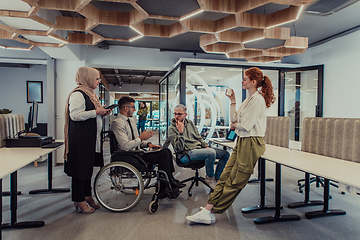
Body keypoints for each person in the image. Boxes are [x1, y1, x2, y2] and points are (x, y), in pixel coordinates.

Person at [185, 67, 276, 224]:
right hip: (242, 140)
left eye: (245, 79)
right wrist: (232, 101)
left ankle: (212, 210)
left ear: (253, 82)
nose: (242, 81)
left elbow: (245, 125)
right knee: (225, 176)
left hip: (251, 142)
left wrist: (235, 125)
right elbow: (234, 117)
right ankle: (208, 209)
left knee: (236, 180)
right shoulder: (249, 99)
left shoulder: (258, 100)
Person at [111, 96, 184, 199]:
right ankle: (167, 186)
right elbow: (126, 146)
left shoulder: (130, 121)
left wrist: (148, 144)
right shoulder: (117, 123)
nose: (135, 109)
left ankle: (169, 181)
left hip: (137, 154)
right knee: (163, 154)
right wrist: (141, 138)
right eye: (133, 107)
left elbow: (135, 141)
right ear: (125, 108)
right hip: (129, 157)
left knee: (166, 151)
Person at [64, 67, 111, 214]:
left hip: (89, 137)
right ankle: (78, 199)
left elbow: (89, 115)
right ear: (87, 78)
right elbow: (75, 115)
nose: (98, 81)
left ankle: (87, 196)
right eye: (96, 78)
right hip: (81, 139)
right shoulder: (78, 94)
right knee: (80, 170)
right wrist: (97, 112)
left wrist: (101, 113)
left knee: (87, 169)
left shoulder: (90, 94)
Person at [169, 104, 230, 189]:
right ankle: (209, 178)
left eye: (179, 114)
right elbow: (179, 148)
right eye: (175, 113)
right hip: (185, 154)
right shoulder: (171, 128)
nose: (176, 116)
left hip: (198, 149)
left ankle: (216, 178)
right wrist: (181, 131)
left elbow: (198, 137)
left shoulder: (190, 123)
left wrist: (206, 146)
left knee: (225, 154)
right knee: (211, 153)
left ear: (185, 115)